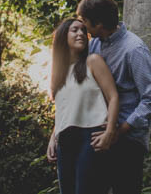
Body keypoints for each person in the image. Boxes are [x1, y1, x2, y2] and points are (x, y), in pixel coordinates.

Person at [77, 0, 151, 194]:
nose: (82, 26)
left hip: (127, 141)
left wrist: (118, 131)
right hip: (99, 136)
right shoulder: (94, 45)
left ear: (98, 24)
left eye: (84, 21)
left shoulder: (134, 49)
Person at [46, 18, 120, 194]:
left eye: (83, 30)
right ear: (63, 36)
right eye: (74, 30)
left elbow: (113, 97)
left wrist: (110, 132)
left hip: (91, 136)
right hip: (64, 140)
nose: (80, 34)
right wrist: (53, 137)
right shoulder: (59, 74)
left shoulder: (93, 61)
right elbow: (66, 109)